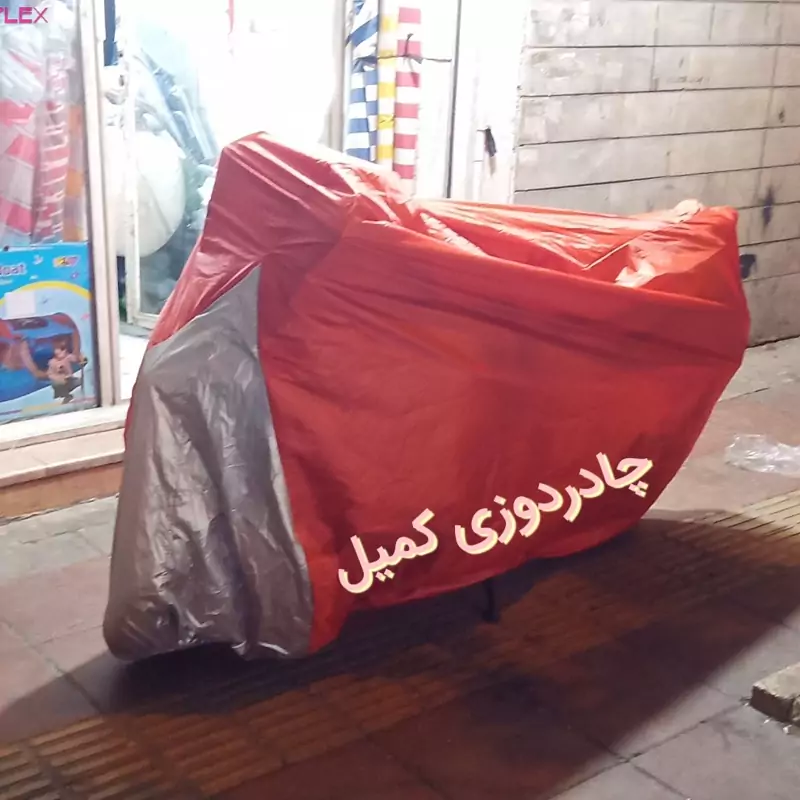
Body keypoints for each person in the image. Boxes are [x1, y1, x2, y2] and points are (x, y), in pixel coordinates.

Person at [47, 338, 84, 403]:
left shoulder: (68, 357)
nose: (60, 352)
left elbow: (76, 359)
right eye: (56, 349)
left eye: (62, 349)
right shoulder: (52, 362)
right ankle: (66, 396)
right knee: (57, 385)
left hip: (70, 380)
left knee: (81, 381)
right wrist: (58, 378)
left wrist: (81, 358)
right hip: (60, 382)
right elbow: (50, 374)